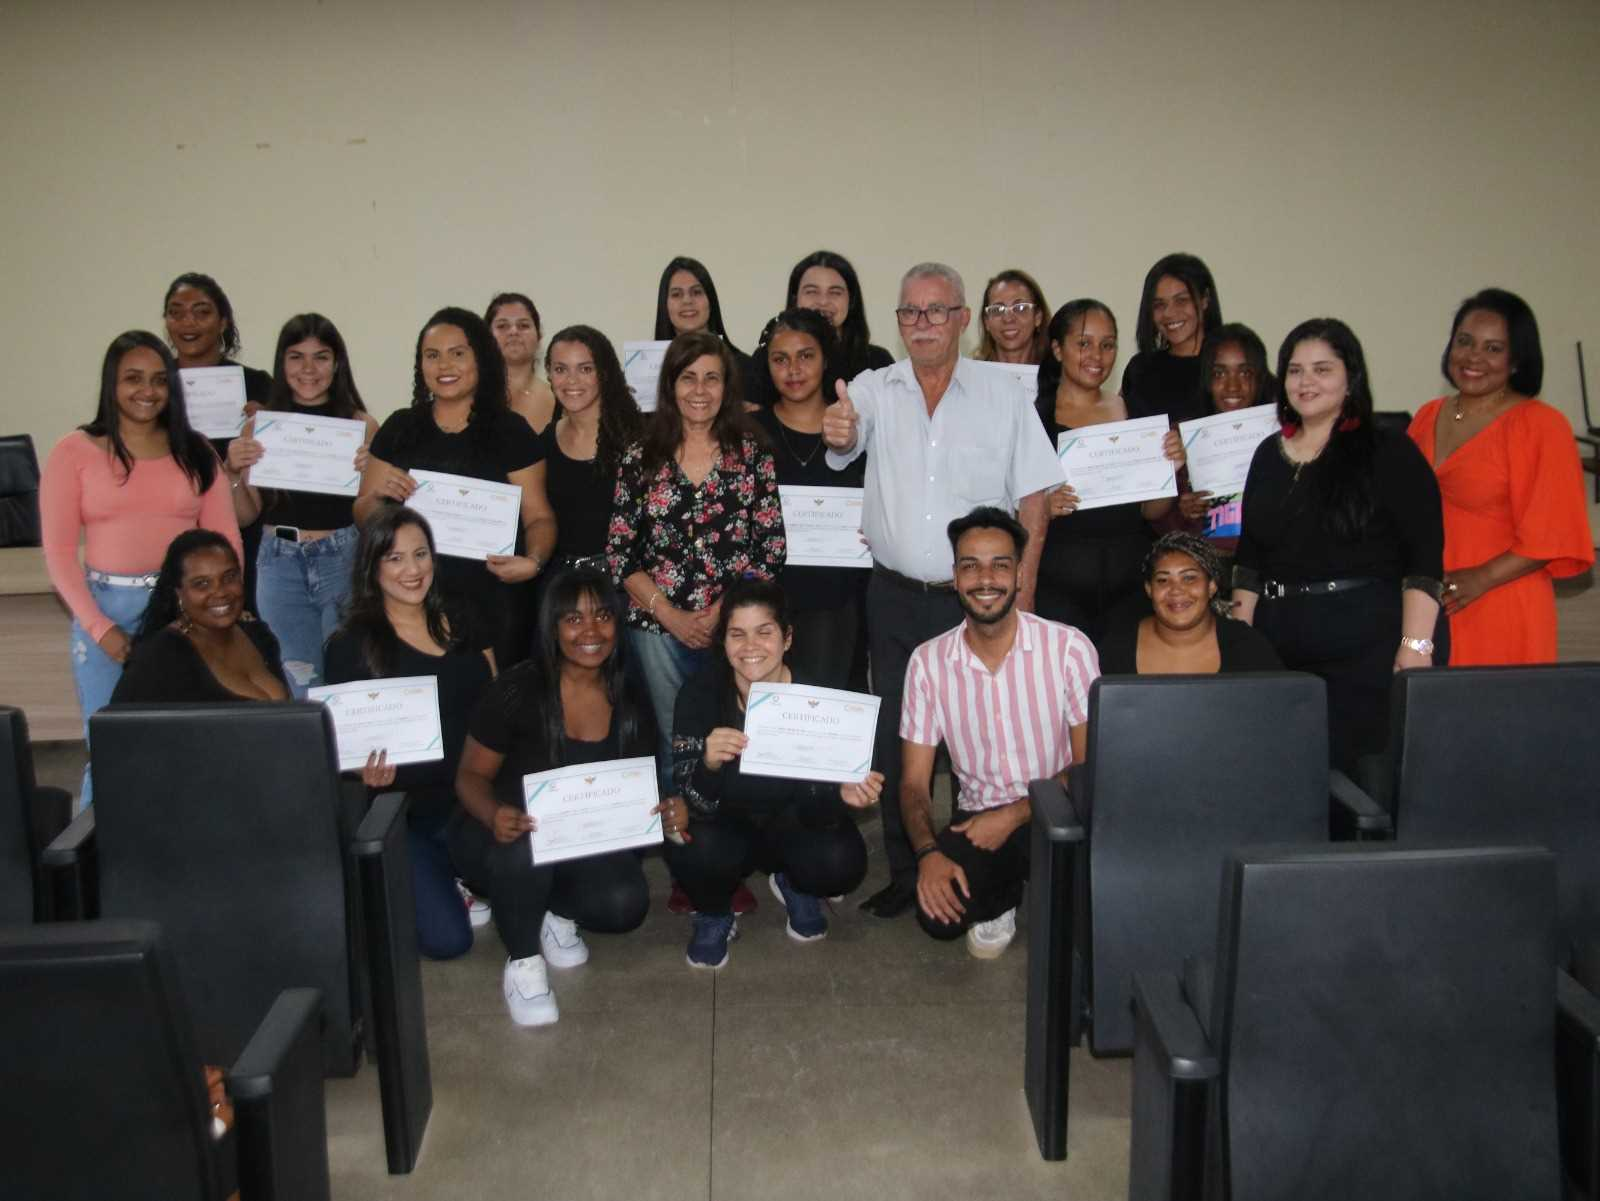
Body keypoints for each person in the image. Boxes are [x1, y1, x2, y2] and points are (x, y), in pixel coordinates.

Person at [821, 262, 1062, 919]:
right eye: (908, 312)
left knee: (984, 736)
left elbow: (1036, 492)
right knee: (906, 735)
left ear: (962, 318)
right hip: (895, 594)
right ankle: (909, 868)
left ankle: (983, 868)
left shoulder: (1002, 393)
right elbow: (844, 436)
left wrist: (1027, 591)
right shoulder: (874, 388)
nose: (921, 323)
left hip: (979, 598)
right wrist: (839, 432)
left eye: (935, 311)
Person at [1232, 318, 1445, 772]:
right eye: (1294, 370)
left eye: (1322, 369)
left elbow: (1424, 558)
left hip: (1368, 650)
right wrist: (1241, 645)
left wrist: (1416, 646)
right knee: (1287, 778)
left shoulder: (1389, 451)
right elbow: (1250, 561)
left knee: (1362, 786)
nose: (1306, 381)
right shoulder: (1267, 454)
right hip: (1281, 651)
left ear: (1351, 379)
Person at [40, 331, 242, 805]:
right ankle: (93, 871)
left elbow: (225, 543)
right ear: (111, 384)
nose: (146, 391)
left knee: (185, 746)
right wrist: (100, 627)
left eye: (158, 380)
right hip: (105, 610)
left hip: (185, 612)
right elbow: (57, 552)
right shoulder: (74, 451)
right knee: (111, 749)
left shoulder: (195, 451)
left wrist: (225, 608)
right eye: (133, 379)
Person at [454, 566, 656, 1025]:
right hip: (499, 836)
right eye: (573, 619)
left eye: (603, 616)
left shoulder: (629, 697)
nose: (591, 631)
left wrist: (659, 812)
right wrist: (493, 813)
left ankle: (551, 910)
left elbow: (635, 788)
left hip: (575, 841)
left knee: (626, 904)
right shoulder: (516, 690)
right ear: (551, 627)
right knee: (520, 849)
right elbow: (468, 777)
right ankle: (523, 960)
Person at [900, 508, 1097, 957]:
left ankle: (1036, 881)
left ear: (1020, 573)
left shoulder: (1068, 648)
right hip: (977, 820)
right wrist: (928, 855)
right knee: (938, 917)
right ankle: (1003, 894)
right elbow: (913, 784)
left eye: (1000, 565)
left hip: (1058, 811)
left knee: (1085, 922)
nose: (984, 578)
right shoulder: (927, 662)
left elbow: (1090, 765)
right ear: (954, 577)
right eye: (970, 565)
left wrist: (1012, 816)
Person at [664, 578, 882, 969]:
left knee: (839, 862)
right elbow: (693, 805)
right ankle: (714, 911)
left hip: (792, 823)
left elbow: (820, 813)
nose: (750, 647)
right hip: (727, 824)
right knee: (691, 847)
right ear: (723, 641)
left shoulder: (819, 695)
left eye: (765, 632)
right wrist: (708, 765)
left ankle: (794, 882)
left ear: (788, 638)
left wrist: (841, 795)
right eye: (737, 634)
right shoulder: (701, 694)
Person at [606, 331, 786, 787]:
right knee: (675, 738)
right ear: (670, 385)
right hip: (657, 627)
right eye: (688, 378)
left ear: (727, 387)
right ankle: (682, 833)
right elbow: (621, 553)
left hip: (735, 627)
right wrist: (671, 616)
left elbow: (770, 546)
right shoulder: (639, 455)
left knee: (739, 734)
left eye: (712, 378)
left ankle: (737, 830)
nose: (700, 391)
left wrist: (721, 612)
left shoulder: (753, 453)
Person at [323, 507, 497, 959]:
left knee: (532, 870)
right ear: (372, 566)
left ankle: (457, 873)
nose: (413, 569)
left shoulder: (464, 618)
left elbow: (499, 705)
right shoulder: (350, 646)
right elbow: (344, 750)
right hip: (407, 815)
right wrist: (364, 774)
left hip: (473, 800)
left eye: (421, 554)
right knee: (448, 941)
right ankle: (428, 876)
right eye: (395, 558)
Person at [356, 306, 557, 667]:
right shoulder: (400, 428)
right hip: (411, 600)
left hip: (495, 600)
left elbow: (540, 517)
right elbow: (362, 514)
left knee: (495, 712)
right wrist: (378, 497)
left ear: (480, 359)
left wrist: (534, 561)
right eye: (432, 356)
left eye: (457, 354)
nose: (444, 366)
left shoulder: (512, 432)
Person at [1407, 289, 1592, 665]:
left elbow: (1551, 534)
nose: (1474, 357)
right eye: (1465, 342)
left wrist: (1481, 579)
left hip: (1501, 602)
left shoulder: (1541, 425)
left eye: (1493, 348)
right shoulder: (1428, 415)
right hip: (1429, 604)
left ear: (1517, 360)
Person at [222, 314, 378, 696]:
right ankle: (311, 757)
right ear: (282, 363)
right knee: (297, 680)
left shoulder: (362, 426)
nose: (308, 369)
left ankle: (347, 758)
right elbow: (247, 514)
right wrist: (232, 472)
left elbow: (374, 514)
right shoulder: (259, 426)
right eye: (296, 357)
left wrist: (370, 474)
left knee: (346, 674)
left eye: (321, 357)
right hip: (279, 562)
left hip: (342, 557)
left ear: (337, 363)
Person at [1036, 299, 1176, 642]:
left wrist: (1169, 469)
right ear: (1057, 349)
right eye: (1083, 343)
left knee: (1126, 690)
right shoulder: (1033, 420)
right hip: (1058, 592)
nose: (1096, 356)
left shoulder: (1138, 414)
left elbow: (1151, 511)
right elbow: (1007, 508)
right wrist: (1041, 508)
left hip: (1129, 590)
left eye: (1107, 345)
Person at [750, 308, 866, 688]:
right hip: (768, 607)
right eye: (780, 359)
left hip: (843, 604)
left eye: (806, 356)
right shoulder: (749, 433)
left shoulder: (856, 430)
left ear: (826, 359)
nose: (793, 370)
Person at [162, 273, 273, 608]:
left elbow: (275, 475)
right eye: (176, 312)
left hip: (240, 536)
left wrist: (268, 426)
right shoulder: (152, 388)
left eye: (201, 311)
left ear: (223, 321)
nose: (187, 322)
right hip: (168, 527)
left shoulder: (256, 385)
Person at [110, 530, 288, 703]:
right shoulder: (161, 657)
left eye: (229, 577)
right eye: (202, 584)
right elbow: (119, 728)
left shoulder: (257, 634)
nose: (220, 592)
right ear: (179, 593)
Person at [540, 325, 645, 574]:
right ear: (549, 375)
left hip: (625, 588)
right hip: (560, 590)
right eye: (560, 369)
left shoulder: (638, 440)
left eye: (585, 369)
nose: (571, 380)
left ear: (604, 374)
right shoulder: (544, 440)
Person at [1097, 532, 1282, 674]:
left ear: (1211, 586)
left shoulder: (1247, 646)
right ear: (1149, 589)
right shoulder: (1116, 648)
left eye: (1189, 578)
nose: (1176, 590)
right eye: (1163, 580)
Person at [1173, 323, 1279, 557]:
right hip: (1209, 565)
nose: (1233, 386)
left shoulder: (1284, 434)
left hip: (1270, 562)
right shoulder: (1184, 437)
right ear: (1206, 379)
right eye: (1220, 373)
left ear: (1260, 378)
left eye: (1244, 373)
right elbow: (1155, 517)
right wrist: (1184, 509)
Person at [1120, 253, 1223, 427]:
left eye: (1181, 300)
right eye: (1159, 305)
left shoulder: (1233, 362)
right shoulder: (1139, 370)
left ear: (1205, 299)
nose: (1169, 313)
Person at [785, 250, 895, 380]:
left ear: (851, 301)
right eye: (812, 292)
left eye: (835, 292)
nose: (823, 301)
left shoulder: (878, 363)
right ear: (795, 299)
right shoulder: (771, 359)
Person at [486, 291, 557, 434]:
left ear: (539, 335)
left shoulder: (562, 399)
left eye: (523, 325)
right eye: (502, 326)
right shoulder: (467, 397)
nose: (513, 332)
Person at [974, 269, 1050, 365]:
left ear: (1038, 317)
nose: (1008, 319)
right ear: (986, 322)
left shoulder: (1059, 377)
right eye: (997, 309)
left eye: (1020, 308)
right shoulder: (970, 376)